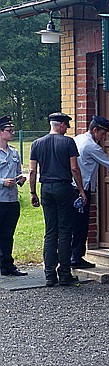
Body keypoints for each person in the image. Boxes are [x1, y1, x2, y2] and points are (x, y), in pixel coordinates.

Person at [30, 112, 87, 287]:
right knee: (64, 231)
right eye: (66, 126)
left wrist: (33, 192)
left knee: (50, 232)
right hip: (63, 188)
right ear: (61, 125)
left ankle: (49, 275)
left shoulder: (36, 143)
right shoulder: (68, 142)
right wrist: (81, 190)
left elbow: (32, 171)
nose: (66, 129)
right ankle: (64, 274)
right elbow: (74, 168)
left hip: (46, 188)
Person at [71, 115, 109, 269]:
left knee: (74, 224)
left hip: (73, 187)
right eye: (102, 133)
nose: (103, 137)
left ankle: (71, 255)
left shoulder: (78, 139)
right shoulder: (91, 146)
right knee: (81, 224)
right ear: (95, 130)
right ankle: (76, 257)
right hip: (82, 189)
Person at [0, 115, 27, 276]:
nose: (12, 133)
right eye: (9, 131)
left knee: (8, 234)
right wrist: (2, 181)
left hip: (12, 200)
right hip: (0, 199)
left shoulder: (14, 152)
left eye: (13, 130)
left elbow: (17, 172)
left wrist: (21, 178)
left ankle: (7, 265)